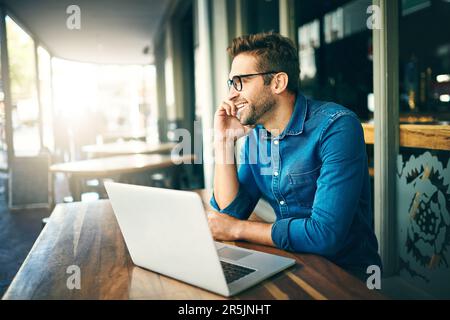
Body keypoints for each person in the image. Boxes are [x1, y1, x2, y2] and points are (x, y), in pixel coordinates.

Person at [208, 32, 382, 280]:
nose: (231, 96)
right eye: (230, 84)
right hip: (292, 262)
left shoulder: (337, 126)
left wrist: (239, 229)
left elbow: (324, 235)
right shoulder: (258, 137)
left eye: (241, 82)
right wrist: (224, 141)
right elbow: (229, 213)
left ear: (278, 82)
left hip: (346, 275)